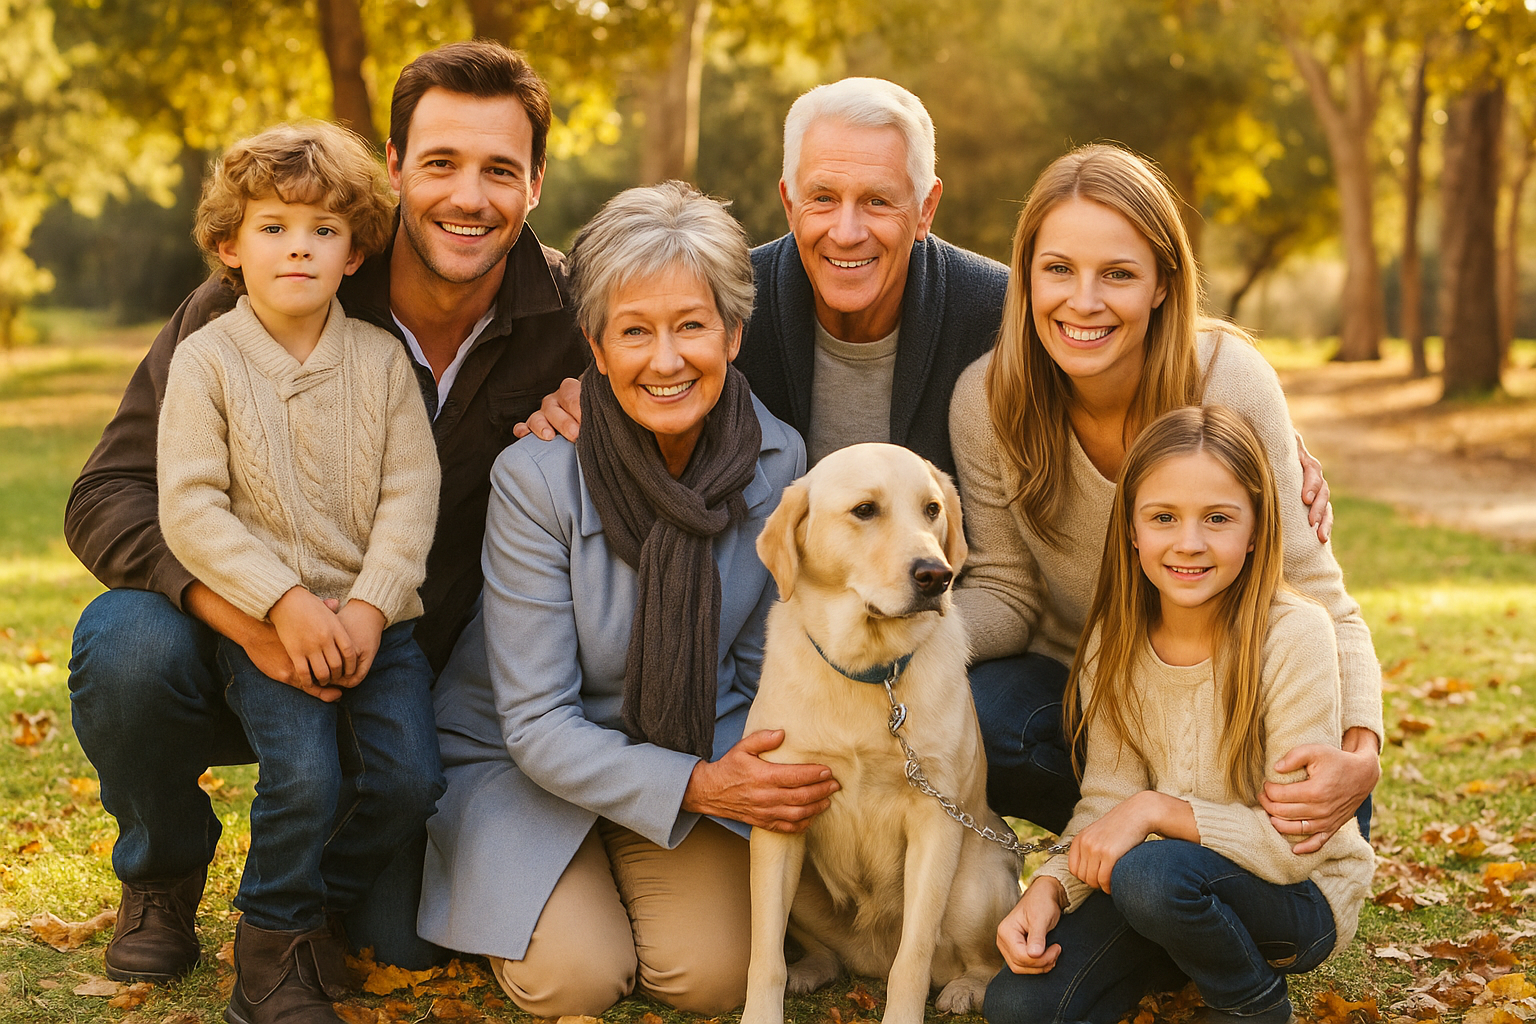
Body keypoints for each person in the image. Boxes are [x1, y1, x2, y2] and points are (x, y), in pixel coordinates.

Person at [64, 40, 588, 980]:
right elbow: (106, 497)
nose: (469, 197)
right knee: (124, 643)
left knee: (403, 944)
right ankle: (164, 872)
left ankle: (296, 905)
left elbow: (692, 352)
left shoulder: (573, 316)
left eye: (500, 170)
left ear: (537, 183)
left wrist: (619, 411)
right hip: (248, 642)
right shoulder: (268, 288)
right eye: (439, 164)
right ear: (393, 170)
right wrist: (254, 616)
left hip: (402, 665)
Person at [417, 181, 835, 1016]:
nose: (666, 359)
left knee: (714, 981)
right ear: (597, 351)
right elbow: (534, 722)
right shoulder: (536, 479)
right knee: (578, 978)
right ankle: (539, 886)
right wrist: (699, 790)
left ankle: (622, 874)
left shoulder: (781, 468)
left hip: (689, 748)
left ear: (734, 334)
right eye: (634, 332)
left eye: (691, 326)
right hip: (525, 763)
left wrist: (733, 780)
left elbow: (754, 681)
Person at [950, 143, 1381, 848]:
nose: (1082, 302)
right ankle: (1142, 850)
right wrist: (899, 644)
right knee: (978, 711)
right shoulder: (987, 401)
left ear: (1161, 283)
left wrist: (1359, 756)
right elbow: (1005, 592)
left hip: (1253, 738)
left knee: (1258, 873)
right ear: (1025, 275)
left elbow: (1316, 593)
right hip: (1106, 723)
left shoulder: (1227, 381)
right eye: (1058, 269)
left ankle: (1201, 860)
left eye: (1117, 274)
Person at [155, 121, 444, 1024]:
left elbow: (412, 491)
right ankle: (271, 954)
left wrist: (368, 606)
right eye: (275, 227)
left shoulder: (381, 360)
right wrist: (282, 603)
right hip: (270, 624)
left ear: (355, 252)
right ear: (228, 246)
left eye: (323, 231)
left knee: (409, 780)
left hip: (377, 624)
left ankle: (302, 907)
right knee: (305, 777)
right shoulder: (206, 360)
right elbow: (190, 507)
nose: (298, 248)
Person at [984, 405, 1376, 1024]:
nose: (1189, 543)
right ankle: (1181, 944)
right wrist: (1052, 886)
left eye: (1218, 518)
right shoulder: (1114, 641)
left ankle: (1251, 1004)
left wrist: (1153, 810)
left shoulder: (1295, 634)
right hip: (1169, 884)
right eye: (1163, 517)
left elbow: (1292, 848)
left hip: (1295, 895)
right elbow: (1106, 799)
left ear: (1255, 529)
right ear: (1133, 530)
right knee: (1018, 1007)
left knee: (1149, 874)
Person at [517, 77, 1007, 479]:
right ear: (789, 205)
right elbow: (638, 364)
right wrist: (591, 403)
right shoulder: (722, 301)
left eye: (878, 201)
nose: (847, 231)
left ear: (925, 209)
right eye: (823, 198)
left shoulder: (999, 314)